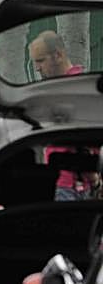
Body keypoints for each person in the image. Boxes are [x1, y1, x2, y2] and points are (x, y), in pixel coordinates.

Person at [29, 31, 93, 199]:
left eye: (40, 61)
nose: (37, 68)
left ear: (57, 55)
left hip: (71, 186)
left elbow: (87, 135)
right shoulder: (57, 88)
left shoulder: (77, 88)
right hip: (63, 183)